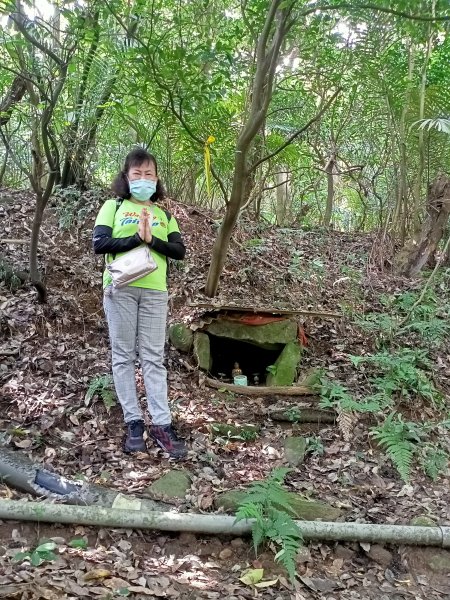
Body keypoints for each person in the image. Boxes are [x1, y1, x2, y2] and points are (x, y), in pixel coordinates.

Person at [92, 148, 188, 459]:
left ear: (156, 179)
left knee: (153, 358)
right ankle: (134, 423)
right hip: (120, 288)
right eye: (137, 174)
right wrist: (136, 238)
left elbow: (178, 250)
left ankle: (162, 424)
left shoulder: (164, 215)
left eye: (149, 174)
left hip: (155, 291)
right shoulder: (114, 206)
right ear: (127, 177)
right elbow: (100, 243)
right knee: (122, 355)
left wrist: (152, 240)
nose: (143, 179)